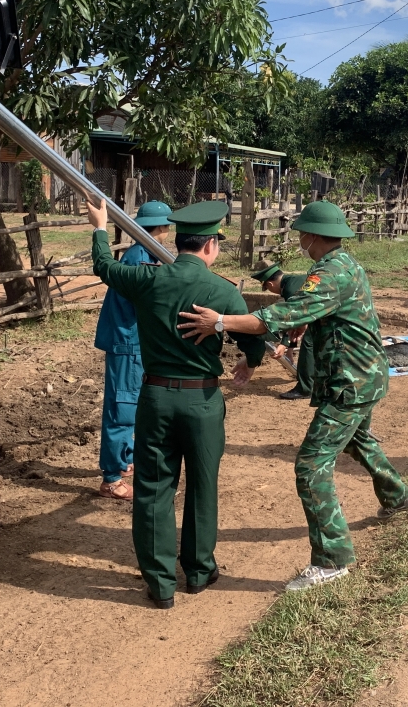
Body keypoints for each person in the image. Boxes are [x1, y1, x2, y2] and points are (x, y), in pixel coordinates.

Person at [179, 201, 408, 592]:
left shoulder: (329, 274)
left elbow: (278, 315)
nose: (301, 240)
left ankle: (332, 559)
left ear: (311, 236)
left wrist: (220, 321)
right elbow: (315, 313)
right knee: (358, 442)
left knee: (310, 466)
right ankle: (398, 497)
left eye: (302, 234)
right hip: (362, 376)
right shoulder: (343, 265)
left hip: (350, 382)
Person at [86, 197, 266, 609]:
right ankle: (199, 572)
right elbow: (253, 338)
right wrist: (249, 365)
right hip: (202, 399)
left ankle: (160, 584)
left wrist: (99, 227)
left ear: (180, 241)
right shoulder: (221, 290)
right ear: (210, 246)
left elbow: (103, 268)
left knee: (153, 488)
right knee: (202, 486)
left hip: (155, 397)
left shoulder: (149, 279)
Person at [93, 200, 172, 500]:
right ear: (161, 227)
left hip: (133, 341)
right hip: (129, 341)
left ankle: (124, 458)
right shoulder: (141, 258)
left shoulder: (144, 253)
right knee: (122, 408)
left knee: (131, 404)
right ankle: (112, 478)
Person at [251, 261, 314, 400]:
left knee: (309, 343)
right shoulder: (292, 282)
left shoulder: (290, 289)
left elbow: (292, 318)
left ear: (270, 284)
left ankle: (305, 389)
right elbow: (295, 321)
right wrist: (290, 351)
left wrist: (284, 345)